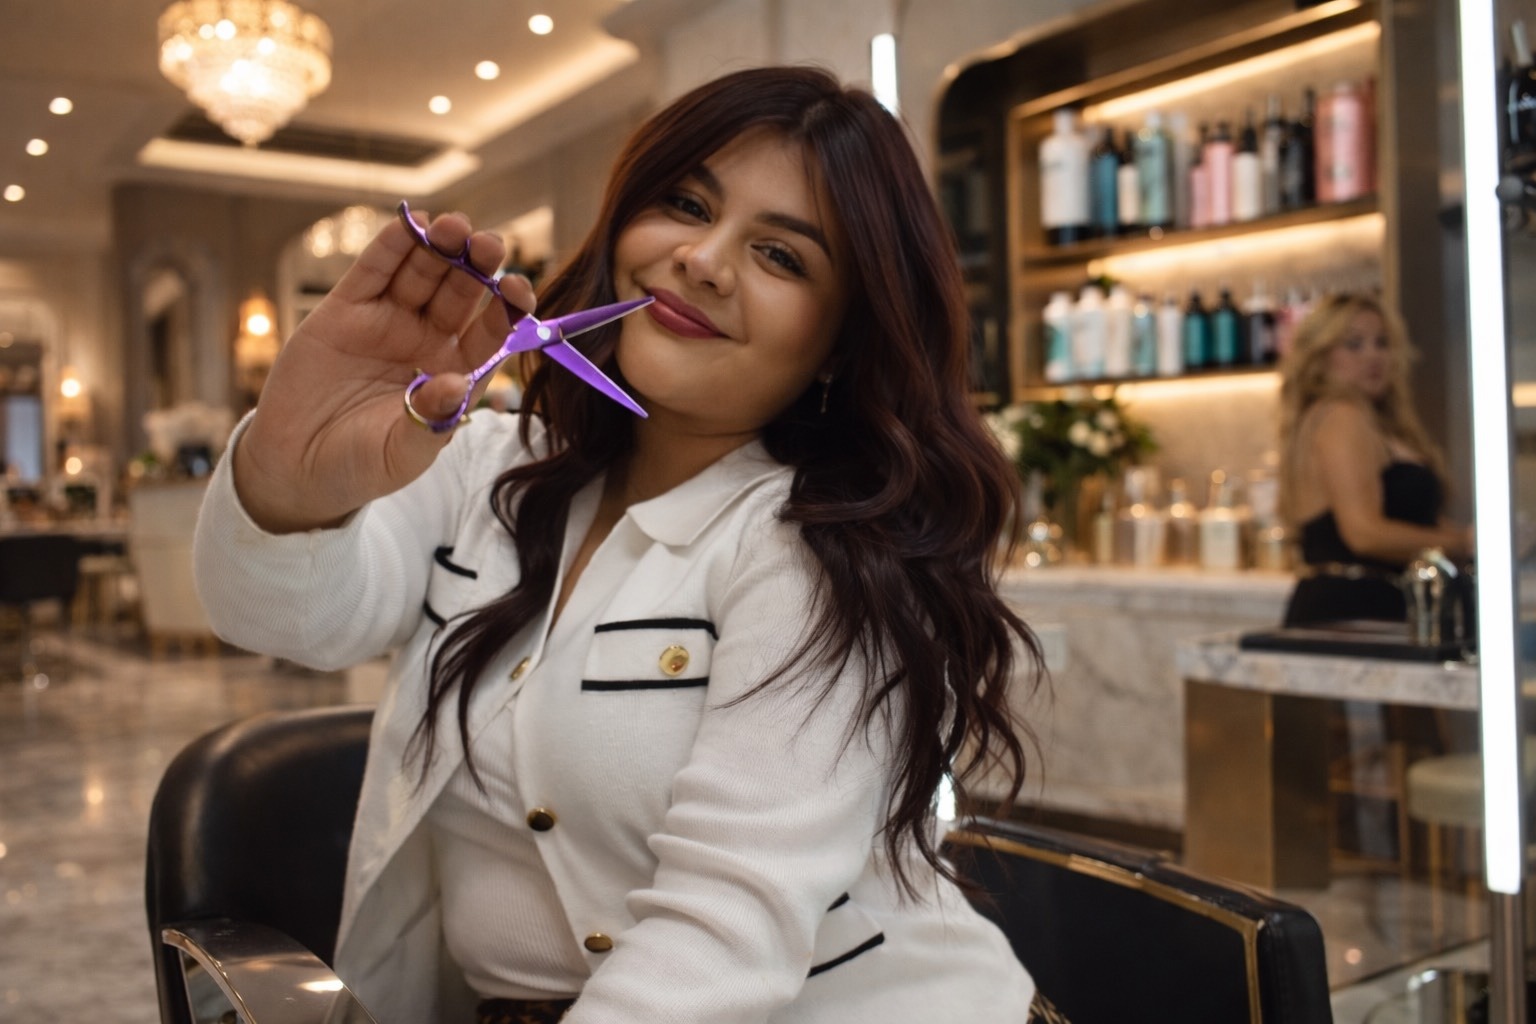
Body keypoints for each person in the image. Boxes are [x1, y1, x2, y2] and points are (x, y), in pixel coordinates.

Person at [193, 66, 1048, 1024]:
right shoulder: (482, 465)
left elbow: (721, 938)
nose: (704, 259)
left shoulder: (825, 552)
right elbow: (282, 616)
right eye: (686, 203)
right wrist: (286, 467)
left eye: (781, 256)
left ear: (843, 342)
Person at [1277, 291, 1473, 626]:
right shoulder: (1341, 416)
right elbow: (1364, 533)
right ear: (1320, 357)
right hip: (1349, 613)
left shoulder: (1374, 422)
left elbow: (1415, 520)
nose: (1373, 356)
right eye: (1354, 345)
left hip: (1366, 608)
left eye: (1382, 343)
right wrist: (1464, 543)